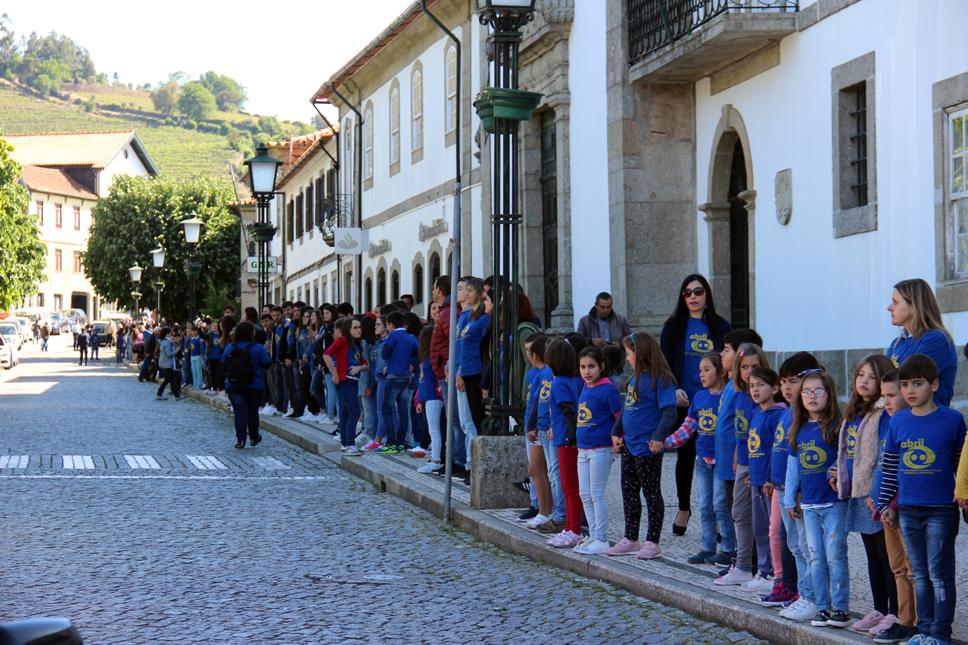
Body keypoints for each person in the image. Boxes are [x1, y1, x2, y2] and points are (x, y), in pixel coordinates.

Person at [877, 354, 965, 645]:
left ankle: (940, 633)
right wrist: (885, 504)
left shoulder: (952, 420)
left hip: (940, 510)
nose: (910, 391)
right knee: (920, 574)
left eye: (918, 383)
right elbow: (890, 466)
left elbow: (959, 464)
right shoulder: (898, 421)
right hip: (907, 509)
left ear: (935, 384)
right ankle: (924, 630)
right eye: (905, 384)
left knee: (940, 574)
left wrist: (963, 497)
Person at [828, 354, 899, 636]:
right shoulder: (855, 413)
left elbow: (883, 455)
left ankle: (895, 611)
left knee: (887, 555)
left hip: (875, 494)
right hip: (858, 494)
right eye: (860, 376)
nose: (865, 382)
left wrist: (878, 492)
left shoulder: (884, 414)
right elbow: (848, 453)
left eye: (872, 377)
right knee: (871, 554)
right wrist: (835, 473)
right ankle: (879, 607)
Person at [660, 274, 731, 536]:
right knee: (686, 455)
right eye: (687, 292)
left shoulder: (720, 326)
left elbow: (729, 359)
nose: (693, 297)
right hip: (685, 400)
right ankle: (683, 507)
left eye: (698, 291)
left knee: (718, 454)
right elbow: (664, 363)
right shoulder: (674, 326)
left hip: (716, 400)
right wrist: (673, 389)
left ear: (707, 295)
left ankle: (721, 515)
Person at [605, 332, 677, 559]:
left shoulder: (662, 380)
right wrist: (616, 431)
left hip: (648, 448)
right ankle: (630, 537)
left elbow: (669, 412)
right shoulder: (635, 379)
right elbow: (627, 409)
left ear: (641, 353)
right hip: (630, 445)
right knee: (629, 492)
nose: (627, 359)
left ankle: (652, 541)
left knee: (651, 493)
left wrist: (658, 437)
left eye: (629, 354)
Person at [789, 369, 850, 629]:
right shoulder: (799, 429)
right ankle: (822, 607)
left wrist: (840, 470)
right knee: (814, 556)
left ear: (830, 394)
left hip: (834, 503)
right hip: (810, 505)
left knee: (835, 554)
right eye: (806, 391)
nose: (812, 396)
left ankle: (841, 609)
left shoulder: (838, 426)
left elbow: (847, 458)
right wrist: (790, 497)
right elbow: (793, 467)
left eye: (818, 391)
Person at [664, 354, 730, 565]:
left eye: (706, 369)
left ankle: (728, 548)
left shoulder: (729, 396)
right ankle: (707, 547)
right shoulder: (699, 398)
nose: (701, 374)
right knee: (705, 505)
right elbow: (687, 428)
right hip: (703, 460)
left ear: (721, 372)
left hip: (722, 461)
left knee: (720, 505)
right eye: (700, 370)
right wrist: (665, 442)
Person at [868, 369, 918, 644]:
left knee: (912, 568)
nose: (886, 401)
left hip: (906, 507)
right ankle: (903, 619)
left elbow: (903, 472)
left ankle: (920, 622)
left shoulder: (909, 424)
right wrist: (882, 504)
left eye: (891, 395)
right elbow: (885, 470)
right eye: (884, 395)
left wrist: (893, 504)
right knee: (897, 566)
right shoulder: (890, 422)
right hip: (887, 507)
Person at [716, 342, 769, 586]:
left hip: (756, 465)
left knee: (758, 517)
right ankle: (744, 564)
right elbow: (742, 432)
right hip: (744, 460)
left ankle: (757, 566)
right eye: (744, 367)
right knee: (738, 512)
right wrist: (738, 453)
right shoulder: (738, 394)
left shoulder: (758, 397)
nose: (749, 372)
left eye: (754, 366)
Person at [775, 353, 823, 621]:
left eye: (793, 381)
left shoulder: (808, 420)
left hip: (801, 494)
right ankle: (805, 594)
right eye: (782, 381)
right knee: (795, 545)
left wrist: (798, 490)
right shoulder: (786, 415)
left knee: (808, 546)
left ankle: (813, 597)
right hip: (784, 490)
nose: (786, 388)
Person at [572, 346, 622, 555]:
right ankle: (592, 535)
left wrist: (618, 437)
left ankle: (601, 538)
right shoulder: (585, 387)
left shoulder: (608, 389)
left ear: (601, 366)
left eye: (591, 366)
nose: (587, 371)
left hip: (601, 449)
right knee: (584, 493)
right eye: (583, 367)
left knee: (596, 493)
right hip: (583, 449)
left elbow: (620, 415)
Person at [744, 367, 787, 594]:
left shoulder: (777, 415)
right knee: (759, 527)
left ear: (774, 388)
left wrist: (770, 477)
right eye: (752, 386)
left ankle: (771, 572)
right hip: (757, 480)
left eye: (760, 385)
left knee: (772, 529)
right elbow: (755, 446)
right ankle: (762, 569)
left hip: (770, 483)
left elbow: (775, 450)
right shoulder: (756, 412)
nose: (755, 390)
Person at [886, 278, 957, 406]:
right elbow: (885, 383)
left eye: (895, 302)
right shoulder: (896, 344)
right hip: (901, 420)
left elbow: (909, 380)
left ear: (913, 306)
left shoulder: (936, 340)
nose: (889, 308)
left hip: (928, 421)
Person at [544, 338, 584, 549]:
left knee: (570, 488)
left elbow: (568, 411)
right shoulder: (570, 380)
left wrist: (570, 436)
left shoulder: (559, 382)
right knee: (571, 487)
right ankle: (569, 527)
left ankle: (574, 529)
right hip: (566, 438)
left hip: (566, 439)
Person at [455, 277, 491, 476]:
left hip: (475, 372)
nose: (466, 294)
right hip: (465, 371)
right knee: (466, 422)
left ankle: (473, 465)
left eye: (469, 290)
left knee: (473, 421)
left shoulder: (484, 318)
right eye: (464, 290)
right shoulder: (471, 317)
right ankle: (471, 464)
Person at [222, 321, 272, 449]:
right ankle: (254, 437)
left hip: (234, 385)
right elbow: (267, 363)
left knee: (239, 412)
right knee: (252, 412)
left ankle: (240, 440)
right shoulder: (257, 347)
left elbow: (223, 362)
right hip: (254, 385)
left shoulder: (231, 347)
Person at [323, 317, 368, 455]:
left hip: (353, 381)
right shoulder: (342, 340)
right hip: (344, 381)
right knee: (355, 411)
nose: (358, 330)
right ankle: (349, 443)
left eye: (359, 327)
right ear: (347, 329)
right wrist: (334, 373)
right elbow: (326, 355)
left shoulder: (356, 345)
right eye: (355, 327)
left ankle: (345, 443)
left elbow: (365, 365)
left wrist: (358, 368)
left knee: (345, 412)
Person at [380, 311, 420, 453]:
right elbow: (417, 353)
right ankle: (401, 442)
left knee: (387, 409)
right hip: (405, 377)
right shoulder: (411, 337)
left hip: (393, 376)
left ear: (390, 324)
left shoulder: (393, 336)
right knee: (403, 411)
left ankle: (391, 442)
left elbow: (384, 353)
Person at [415, 324, 443, 474]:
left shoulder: (432, 357)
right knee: (432, 429)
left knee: (434, 430)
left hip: (433, 397)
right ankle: (435, 457)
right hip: (426, 397)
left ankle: (436, 460)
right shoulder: (425, 357)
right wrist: (418, 400)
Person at [156, 327, 184, 400]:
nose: (171, 335)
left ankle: (159, 394)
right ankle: (177, 396)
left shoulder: (164, 341)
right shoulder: (167, 342)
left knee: (167, 380)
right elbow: (168, 354)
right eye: (170, 333)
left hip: (164, 364)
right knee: (172, 380)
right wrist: (176, 351)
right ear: (167, 334)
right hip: (167, 365)